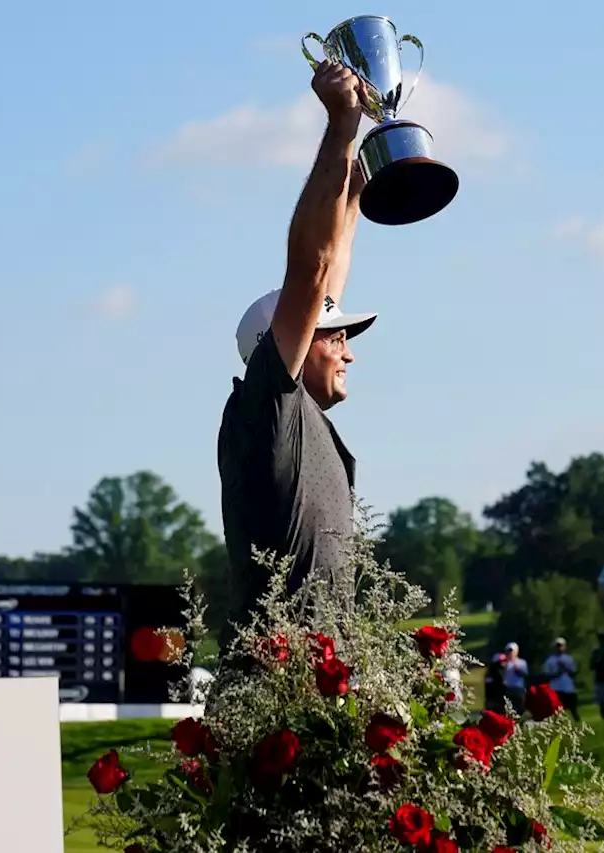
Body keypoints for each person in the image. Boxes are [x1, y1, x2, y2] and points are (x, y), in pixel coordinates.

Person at [216, 59, 376, 653]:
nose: (347, 354)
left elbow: (326, 273)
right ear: (288, 342)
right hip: (276, 694)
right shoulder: (267, 409)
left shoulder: (295, 418)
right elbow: (309, 273)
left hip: (312, 691)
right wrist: (340, 129)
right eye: (335, 337)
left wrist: (352, 198)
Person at [542, 637, 580, 721]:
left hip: (569, 688)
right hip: (557, 688)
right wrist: (557, 673)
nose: (559, 648)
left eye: (561, 646)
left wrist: (565, 668)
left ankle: (578, 725)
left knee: (573, 708)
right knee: (557, 710)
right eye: (557, 646)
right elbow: (547, 676)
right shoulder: (550, 660)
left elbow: (573, 673)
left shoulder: (569, 659)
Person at [501, 641, 529, 711]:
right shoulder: (505, 663)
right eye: (508, 651)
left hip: (519, 689)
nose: (510, 653)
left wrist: (516, 666)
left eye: (512, 651)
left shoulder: (522, 662)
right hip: (508, 689)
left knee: (520, 708)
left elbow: (524, 674)